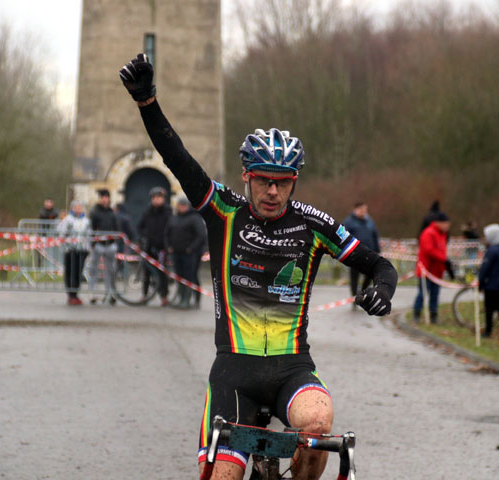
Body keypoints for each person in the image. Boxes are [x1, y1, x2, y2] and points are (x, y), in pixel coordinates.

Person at [119, 53, 397, 480]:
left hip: (292, 367)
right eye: (264, 179)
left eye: (282, 181)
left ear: (294, 181)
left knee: (320, 426)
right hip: (235, 371)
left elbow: (377, 263)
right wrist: (147, 103)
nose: (272, 190)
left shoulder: (312, 223)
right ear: (246, 176)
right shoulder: (224, 212)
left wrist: (385, 287)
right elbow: (177, 158)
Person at [165, 197, 207, 309]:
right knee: (179, 276)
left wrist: (191, 248)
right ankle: (181, 297)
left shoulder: (195, 218)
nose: (182, 207)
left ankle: (191, 300)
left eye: (184, 205)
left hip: (191, 253)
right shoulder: (174, 218)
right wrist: (168, 246)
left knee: (190, 276)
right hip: (176, 252)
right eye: (180, 205)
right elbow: (167, 233)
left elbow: (201, 235)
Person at [413, 211, 450, 324]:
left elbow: (442, 250)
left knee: (435, 294)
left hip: (437, 271)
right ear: (439, 223)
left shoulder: (442, 234)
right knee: (423, 293)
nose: (448, 227)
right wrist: (444, 259)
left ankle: (434, 316)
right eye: (446, 224)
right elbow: (429, 250)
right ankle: (417, 314)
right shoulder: (428, 233)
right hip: (427, 270)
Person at [138, 186, 172, 306]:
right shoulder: (147, 212)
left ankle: (164, 296)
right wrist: (144, 236)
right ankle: (145, 295)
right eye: (154, 198)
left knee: (162, 272)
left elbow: (171, 228)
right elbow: (140, 227)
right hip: (149, 246)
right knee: (146, 272)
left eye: (159, 197)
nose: (156, 200)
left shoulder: (168, 212)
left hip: (162, 247)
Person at [343, 202, 380, 310]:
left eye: (365, 210)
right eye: (361, 210)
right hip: (355, 254)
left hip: (369, 254)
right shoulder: (349, 222)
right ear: (355, 210)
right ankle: (355, 298)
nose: (364, 212)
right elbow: (343, 236)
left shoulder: (370, 221)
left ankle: (362, 292)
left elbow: (375, 235)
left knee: (369, 276)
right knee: (354, 277)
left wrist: (377, 250)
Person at [88, 188, 119, 304]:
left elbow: (116, 228)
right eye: (103, 197)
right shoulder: (95, 212)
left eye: (106, 197)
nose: (105, 199)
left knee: (110, 270)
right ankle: (92, 293)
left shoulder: (112, 212)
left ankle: (110, 292)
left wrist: (115, 241)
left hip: (110, 245)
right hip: (99, 245)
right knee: (94, 269)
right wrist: (93, 243)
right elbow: (92, 229)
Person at [57, 200, 90, 305]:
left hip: (82, 250)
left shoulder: (86, 221)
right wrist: (65, 245)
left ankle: (76, 293)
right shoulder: (68, 219)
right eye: (76, 207)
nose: (78, 209)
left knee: (78, 272)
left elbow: (88, 235)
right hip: (70, 250)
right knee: (70, 272)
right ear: (72, 208)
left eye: (80, 207)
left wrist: (88, 247)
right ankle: (70, 294)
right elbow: (62, 233)